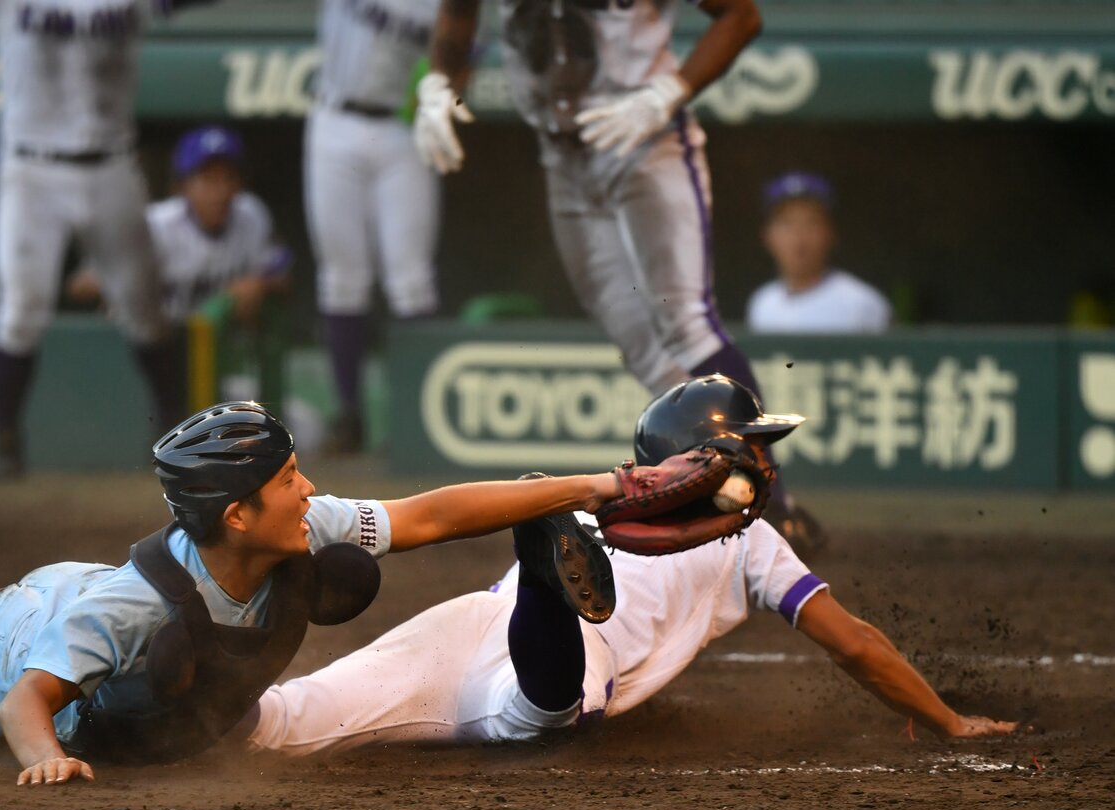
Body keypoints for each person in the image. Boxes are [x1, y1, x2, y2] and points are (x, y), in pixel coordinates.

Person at [0, 322, 664, 787]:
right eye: (292, 478)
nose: (312, 491)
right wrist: (44, 762)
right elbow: (25, 703)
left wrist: (598, 485)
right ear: (238, 514)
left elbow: (433, 514)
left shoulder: (293, 530)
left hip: (53, 615)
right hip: (24, 642)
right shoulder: (133, 610)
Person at [244, 375, 1022, 756]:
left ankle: (539, 570)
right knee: (540, 716)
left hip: (476, 622)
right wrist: (950, 721)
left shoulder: (601, 502)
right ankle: (547, 583)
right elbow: (855, 644)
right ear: (702, 460)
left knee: (287, 719)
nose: (763, 463)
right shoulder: (750, 542)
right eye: (749, 449)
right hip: (565, 655)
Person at [413, 0, 824, 553]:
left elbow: (740, 16)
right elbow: (460, 11)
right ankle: (716, 491)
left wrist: (665, 94)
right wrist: (438, 85)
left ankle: (777, 509)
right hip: (563, 156)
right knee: (639, 344)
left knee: (687, 324)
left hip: (646, 140)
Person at [0, 0, 208, 480]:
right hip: (30, 168)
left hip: (110, 164)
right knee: (21, 309)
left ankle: (174, 431)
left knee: (144, 309)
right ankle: (6, 440)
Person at [306, 0, 443, 453]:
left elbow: (466, 48)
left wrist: (441, 91)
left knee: (411, 279)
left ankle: (417, 422)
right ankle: (349, 415)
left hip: (402, 127)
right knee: (342, 278)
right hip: (335, 118)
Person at [69, 126, 291, 335]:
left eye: (229, 177)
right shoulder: (155, 226)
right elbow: (79, 285)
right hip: (154, 342)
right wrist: (121, 280)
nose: (221, 190)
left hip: (215, 345)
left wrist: (260, 284)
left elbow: (285, 279)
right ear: (181, 186)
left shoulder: (251, 214)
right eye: (209, 179)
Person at [746, 171, 891, 335]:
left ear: (830, 233)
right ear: (767, 236)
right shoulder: (762, 302)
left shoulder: (862, 305)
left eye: (811, 222)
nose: (798, 237)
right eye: (786, 223)